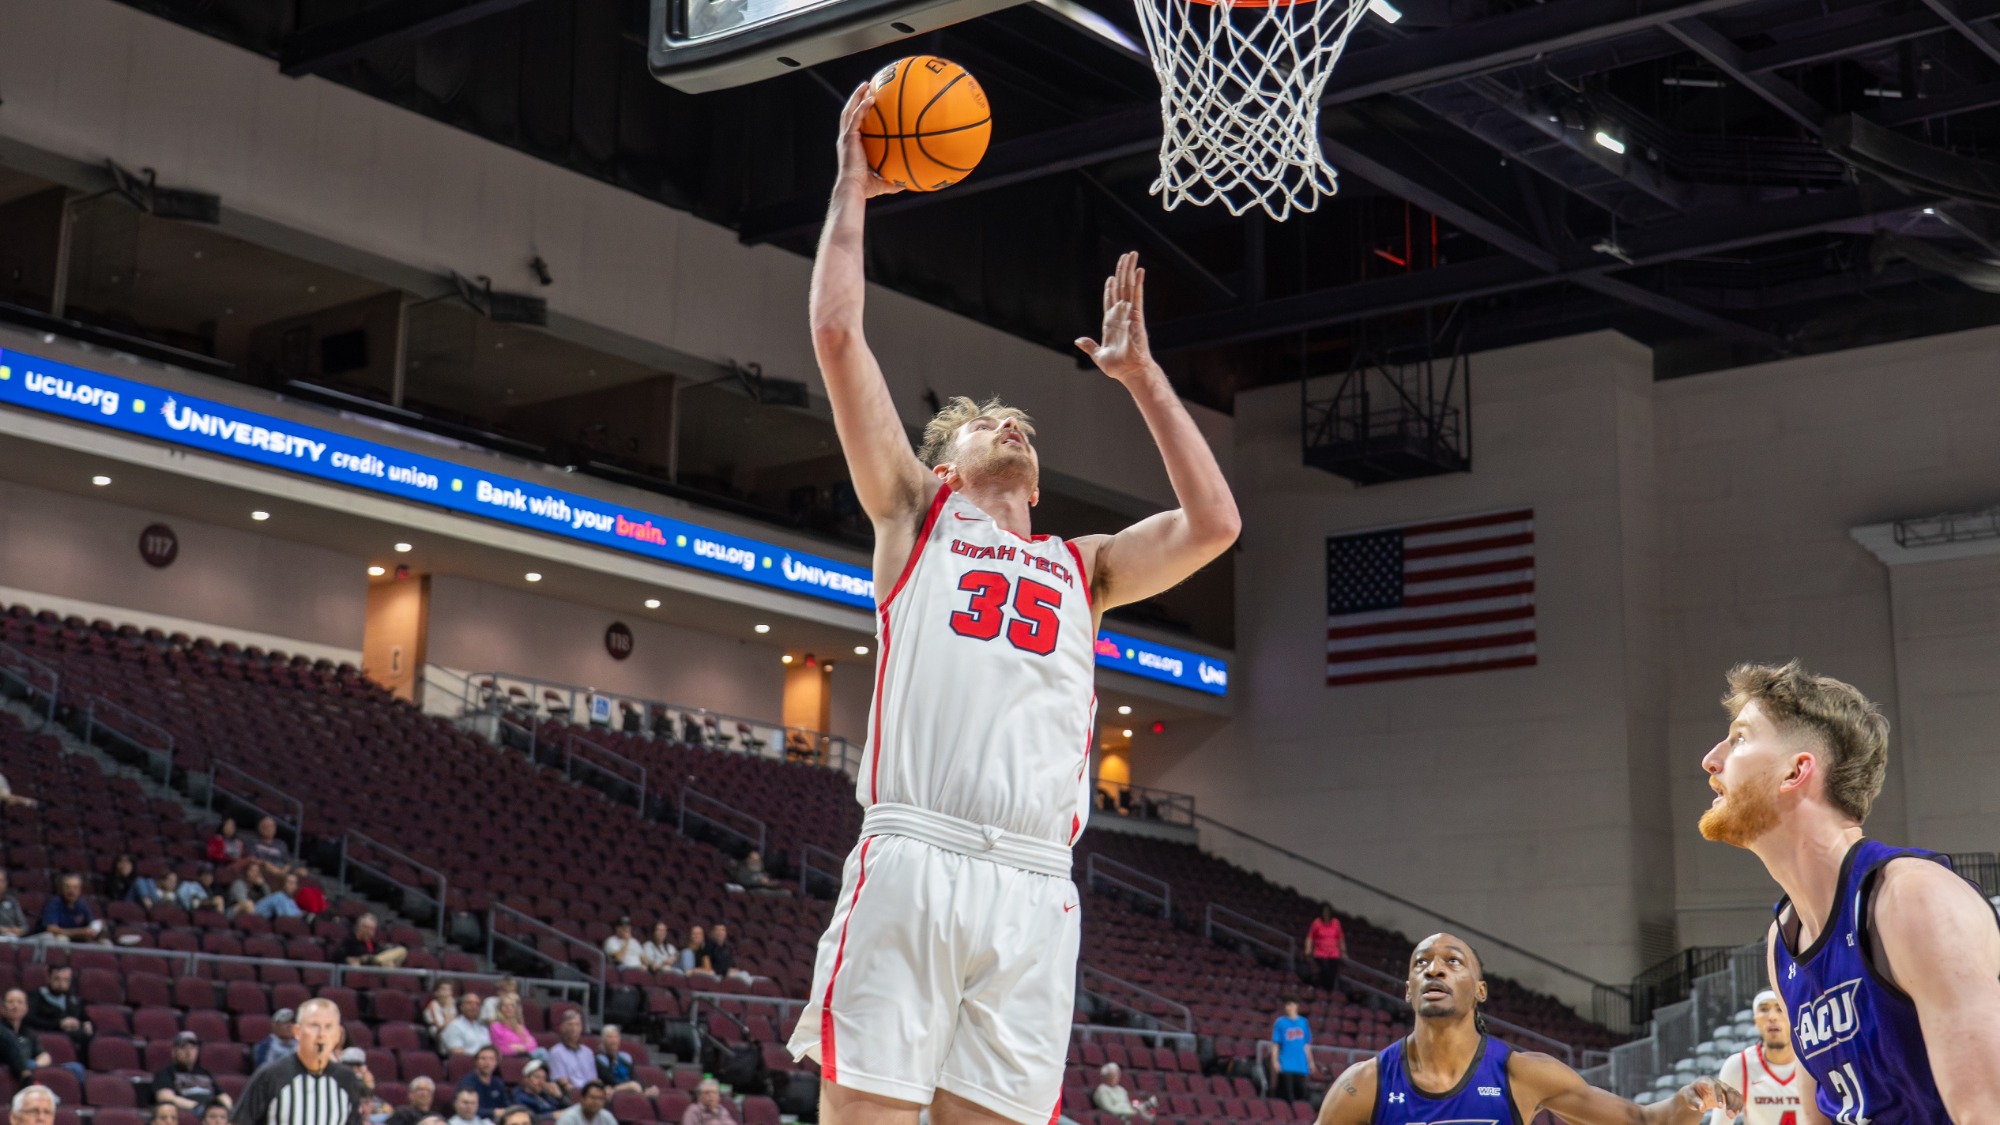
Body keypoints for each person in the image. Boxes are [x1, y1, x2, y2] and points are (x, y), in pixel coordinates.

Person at [788, 84, 1239, 1125]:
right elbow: (837, 333)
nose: (1009, 425)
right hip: (914, 851)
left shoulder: (1087, 567)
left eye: (1021, 425)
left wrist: (1142, 378)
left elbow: (1214, 523)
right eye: (984, 421)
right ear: (945, 464)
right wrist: (852, 184)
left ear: (1036, 484)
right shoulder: (915, 514)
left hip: (1037, 883)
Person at [1698, 661, 2000, 1122]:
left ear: (1796, 771)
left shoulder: (1912, 899)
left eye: (1739, 738)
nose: (1711, 760)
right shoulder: (1784, 940)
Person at [1315, 933, 1735, 1124]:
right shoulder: (1363, 1084)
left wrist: (1687, 1100)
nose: (1434, 969)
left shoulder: (1523, 1073)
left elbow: (1642, 1122)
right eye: (1421, 963)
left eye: (1452, 961)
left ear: (1480, 991)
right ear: (1408, 990)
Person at [232, 999, 372, 1125]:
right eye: (314, 1026)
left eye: (328, 1027)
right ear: (297, 1031)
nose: (321, 1034)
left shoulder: (347, 1079)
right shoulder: (270, 1075)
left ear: (337, 1035)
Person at [1714, 991, 1801, 1125]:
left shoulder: (1813, 1064)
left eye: (1780, 1009)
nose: (1772, 1017)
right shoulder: (1738, 1065)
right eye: (1764, 1009)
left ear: (1794, 1016)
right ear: (1755, 1020)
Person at [0, 989, 78, 1087]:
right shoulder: (2, 1031)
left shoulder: (28, 1032)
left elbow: (44, 1055)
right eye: (10, 1002)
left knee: (76, 1068)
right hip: (12, 1069)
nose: (15, 1006)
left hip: (31, 1066)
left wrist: (35, 1065)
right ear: (3, 1008)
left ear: (26, 1008)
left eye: (20, 1002)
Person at [157, 1030, 233, 1112]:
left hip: (210, 1113)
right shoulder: (166, 1073)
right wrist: (198, 1107)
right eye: (183, 1047)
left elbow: (222, 1095)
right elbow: (165, 1097)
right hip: (186, 1113)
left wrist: (228, 1109)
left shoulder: (205, 1073)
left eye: (192, 1048)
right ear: (174, 1051)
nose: (188, 1052)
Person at [27, 963, 92, 1049]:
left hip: (75, 1042)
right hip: (48, 1042)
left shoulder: (73, 998)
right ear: (48, 978)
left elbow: (84, 1017)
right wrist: (59, 1024)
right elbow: (30, 1020)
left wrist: (86, 1023)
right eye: (57, 979)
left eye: (66, 980)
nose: (61, 984)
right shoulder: (35, 997)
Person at [38, 873, 107, 943]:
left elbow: (91, 925)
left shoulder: (82, 905)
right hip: (46, 939)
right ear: (62, 889)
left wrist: (97, 928)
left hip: (74, 939)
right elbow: (51, 929)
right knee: (62, 939)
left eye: (75, 887)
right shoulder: (54, 903)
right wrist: (79, 932)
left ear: (80, 890)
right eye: (67, 887)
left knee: (105, 942)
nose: (71, 891)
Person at [1269, 999, 1313, 1103]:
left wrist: (1311, 1062)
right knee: (1288, 1097)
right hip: (1286, 1064)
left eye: (1291, 1004)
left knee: (1302, 1096)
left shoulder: (1303, 1022)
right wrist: (1275, 1061)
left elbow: (1306, 1045)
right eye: (1287, 1005)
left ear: (1296, 1005)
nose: (1289, 1007)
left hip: (1301, 1065)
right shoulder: (1280, 1022)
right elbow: (1276, 1044)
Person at [593, 1026, 656, 1097]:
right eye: (609, 1037)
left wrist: (647, 1087)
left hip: (631, 1087)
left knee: (652, 1090)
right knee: (634, 1086)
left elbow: (634, 1077)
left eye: (616, 1037)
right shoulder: (599, 1059)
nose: (613, 1040)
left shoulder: (625, 1057)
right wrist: (630, 1086)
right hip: (612, 1090)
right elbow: (610, 1080)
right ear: (603, 1040)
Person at [544, 1012, 594, 1100]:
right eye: (570, 1025)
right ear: (563, 1028)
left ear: (581, 1028)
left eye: (577, 1025)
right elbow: (562, 1082)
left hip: (590, 1094)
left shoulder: (588, 1052)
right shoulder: (556, 1052)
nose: (574, 1029)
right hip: (571, 1095)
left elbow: (593, 1080)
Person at [338, 914, 409, 969]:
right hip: (360, 970)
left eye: (371, 929)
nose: (368, 931)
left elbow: (378, 951)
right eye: (365, 927)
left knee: (401, 951)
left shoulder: (371, 943)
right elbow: (342, 958)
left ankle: (375, 960)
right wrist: (359, 960)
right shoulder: (349, 940)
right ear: (358, 927)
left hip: (373, 967)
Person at [1090, 1064, 1154, 1123]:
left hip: (1129, 1113)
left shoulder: (1121, 1089)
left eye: (1117, 1075)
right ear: (1105, 1077)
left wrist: (1135, 1109)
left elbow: (1127, 1104)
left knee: (1150, 1104)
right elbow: (1109, 1109)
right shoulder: (1102, 1090)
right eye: (1112, 1076)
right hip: (1119, 1117)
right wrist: (1131, 1112)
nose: (1116, 1077)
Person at [457, 1048, 510, 1119]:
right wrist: (493, 1112)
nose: (487, 1063)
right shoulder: (467, 1083)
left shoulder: (498, 1083)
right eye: (483, 1058)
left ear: (496, 1063)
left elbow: (507, 1104)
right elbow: (467, 1109)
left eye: (491, 1059)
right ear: (476, 1061)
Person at [1306, 906, 1346, 993]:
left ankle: (1328, 991)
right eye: (1324, 913)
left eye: (1328, 913)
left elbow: (1340, 938)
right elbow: (1310, 937)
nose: (1326, 915)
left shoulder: (1336, 923)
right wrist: (1308, 949)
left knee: (1332, 972)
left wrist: (1343, 951)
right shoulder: (1317, 923)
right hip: (1320, 952)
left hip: (1333, 953)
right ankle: (1314, 986)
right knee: (1323, 969)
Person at [488, 997, 542, 1062]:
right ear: (500, 1009)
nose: (509, 1008)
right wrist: (516, 1049)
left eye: (512, 1006)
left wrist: (523, 1048)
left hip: (525, 1054)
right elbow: (499, 1047)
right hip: (508, 1057)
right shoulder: (496, 1026)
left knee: (541, 1052)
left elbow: (533, 1043)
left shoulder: (520, 1027)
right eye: (505, 1006)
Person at [0, 871, 29, 938]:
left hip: (12, 937)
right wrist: (2, 930)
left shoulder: (12, 901)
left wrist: (20, 930)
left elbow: (24, 926)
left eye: (2, 881)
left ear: (6, 883)